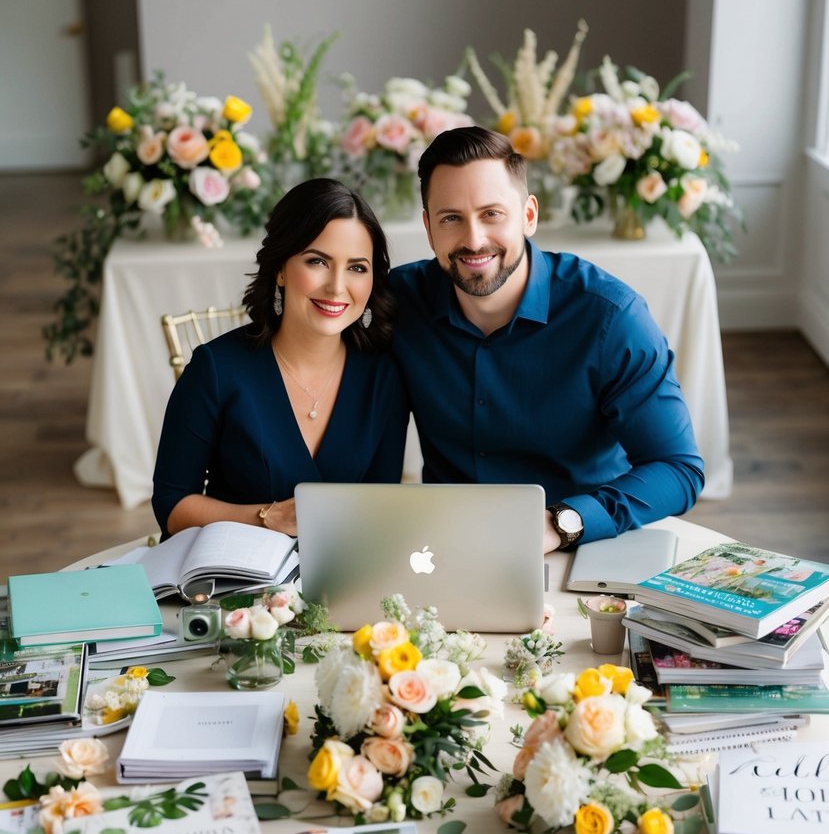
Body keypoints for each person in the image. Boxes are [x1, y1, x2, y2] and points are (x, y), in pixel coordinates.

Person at [389, 127, 705, 553]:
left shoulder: (611, 317)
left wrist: (560, 523)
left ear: (529, 216)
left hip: (582, 542)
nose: (474, 239)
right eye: (451, 218)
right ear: (429, 228)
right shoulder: (399, 302)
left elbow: (678, 469)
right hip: (446, 546)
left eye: (491, 214)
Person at [152, 178, 409, 539]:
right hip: (234, 581)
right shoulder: (215, 369)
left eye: (356, 267)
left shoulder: (384, 375)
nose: (337, 287)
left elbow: (381, 505)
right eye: (317, 261)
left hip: (343, 578)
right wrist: (265, 516)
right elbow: (172, 505)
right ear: (280, 269)